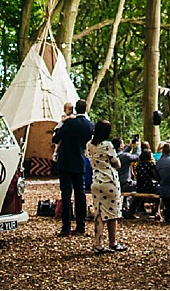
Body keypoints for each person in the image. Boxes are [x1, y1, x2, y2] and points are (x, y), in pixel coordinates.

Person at [50, 100, 94, 236]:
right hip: (79, 160)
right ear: (86, 109)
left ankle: (66, 227)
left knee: (66, 194)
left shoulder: (69, 123)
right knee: (80, 194)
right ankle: (81, 225)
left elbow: (55, 138)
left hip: (66, 160)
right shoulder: (89, 125)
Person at [87, 120, 125, 252]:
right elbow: (117, 163)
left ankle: (98, 243)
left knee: (99, 213)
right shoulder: (107, 145)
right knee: (112, 213)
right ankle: (113, 242)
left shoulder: (89, 146)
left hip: (96, 180)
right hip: (109, 181)